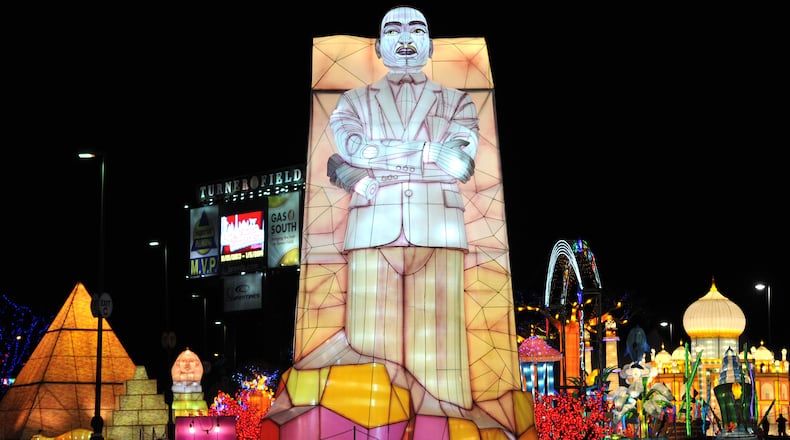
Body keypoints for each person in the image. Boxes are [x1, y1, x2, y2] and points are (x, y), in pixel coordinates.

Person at [328, 5, 478, 409]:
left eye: (417, 29)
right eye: (393, 30)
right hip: (371, 229)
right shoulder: (352, 101)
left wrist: (378, 158)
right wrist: (429, 151)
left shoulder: (459, 101)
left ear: (431, 45)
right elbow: (352, 148)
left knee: (442, 357)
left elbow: (461, 163)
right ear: (378, 47)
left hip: (438, 229)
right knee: (369, 353)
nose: (406, 38)